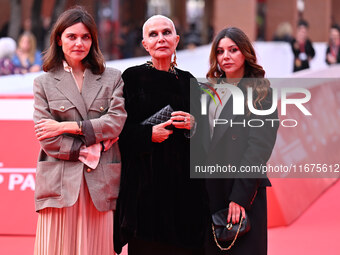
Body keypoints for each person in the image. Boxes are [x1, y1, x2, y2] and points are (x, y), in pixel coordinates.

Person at [32, 6, 126, 255]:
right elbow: (47, 138)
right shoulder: (43, 82)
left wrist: (66, 126)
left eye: (86, 37)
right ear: (58, 39)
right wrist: (92, 146)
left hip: (101, 182)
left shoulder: (112, 78)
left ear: (93, 41)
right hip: (60, 182)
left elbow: (116, 122)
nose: (79, 43)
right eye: (72, 36)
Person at [114, 15, 208, 255]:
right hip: (145, 196)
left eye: (166, 33)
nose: (161, 39)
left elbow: (207, 141)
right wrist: (148, 134)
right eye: (153, 35)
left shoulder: (189, 82)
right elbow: (117, 133)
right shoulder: (131, 78)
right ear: (145, 44)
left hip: (186, 196)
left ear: (176, 40)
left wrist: (194, 124)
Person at [203, 27, 279, 255]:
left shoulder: (262, 94)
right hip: (209, 191)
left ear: (245, 53)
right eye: (220, 51)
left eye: (233, 50)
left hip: (241, 191)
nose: (225, 56)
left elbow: (259, 149)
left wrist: (239, 198)